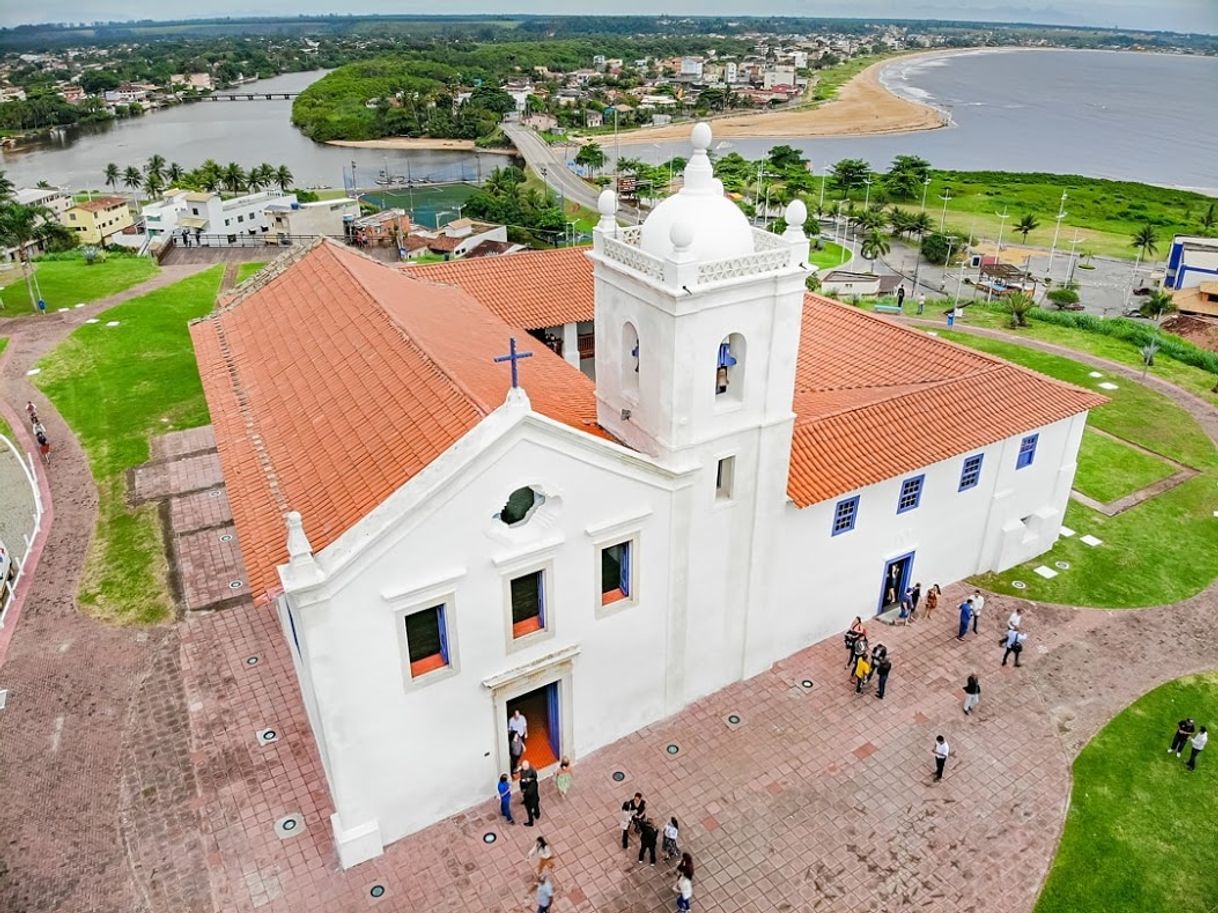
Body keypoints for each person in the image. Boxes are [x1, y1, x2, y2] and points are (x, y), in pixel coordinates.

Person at [519, 760, 541, 826]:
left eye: (523, 766)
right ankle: (537, 815)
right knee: (536, 805)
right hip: (534, 797)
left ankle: (531, 822)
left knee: (530, 809)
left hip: (531, 798)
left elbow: (534, 777)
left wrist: (524, 790)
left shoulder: (532, 773)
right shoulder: (534, 783)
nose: (522, 767)